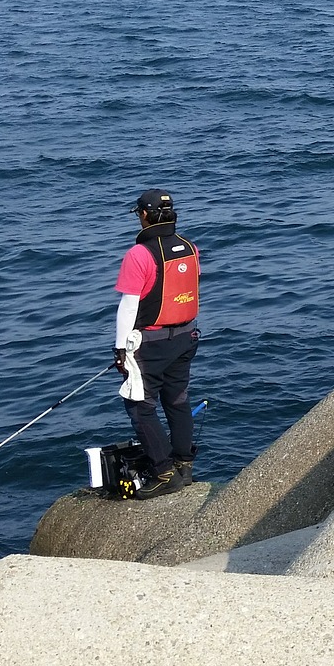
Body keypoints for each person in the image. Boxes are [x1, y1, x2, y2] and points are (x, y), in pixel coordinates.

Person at [111, 188, 201, 499]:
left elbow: (129, 305)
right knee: (177, 401)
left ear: (145, 215)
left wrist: (121, 349)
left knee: (139, 406)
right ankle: (184, 467)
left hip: (151, 343)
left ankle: (164, 473)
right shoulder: (190, 247)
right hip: (186, 338)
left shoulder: (139, 254)